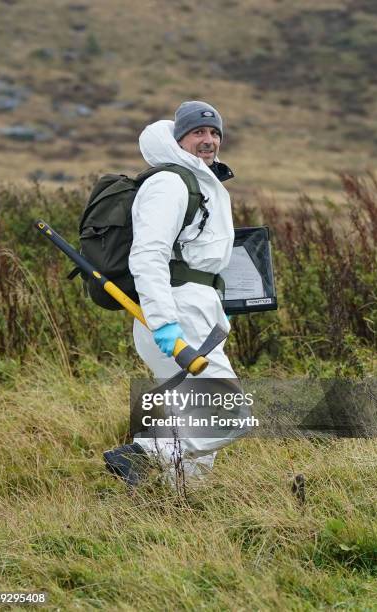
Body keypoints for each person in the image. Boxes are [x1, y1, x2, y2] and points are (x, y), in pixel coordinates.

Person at [104, 101, 244, 487]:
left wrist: (218, 308)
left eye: (215, 132)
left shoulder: (202, 183)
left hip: (195, 311)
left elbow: (203, 259)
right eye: (198, 132)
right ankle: (143, 454)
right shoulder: (169, 183)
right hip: (175, 313)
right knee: (227, 414)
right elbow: (148, 256)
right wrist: (164, 324)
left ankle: (179, 506)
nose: (209, 140)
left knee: (196, 417)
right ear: (179, 137)